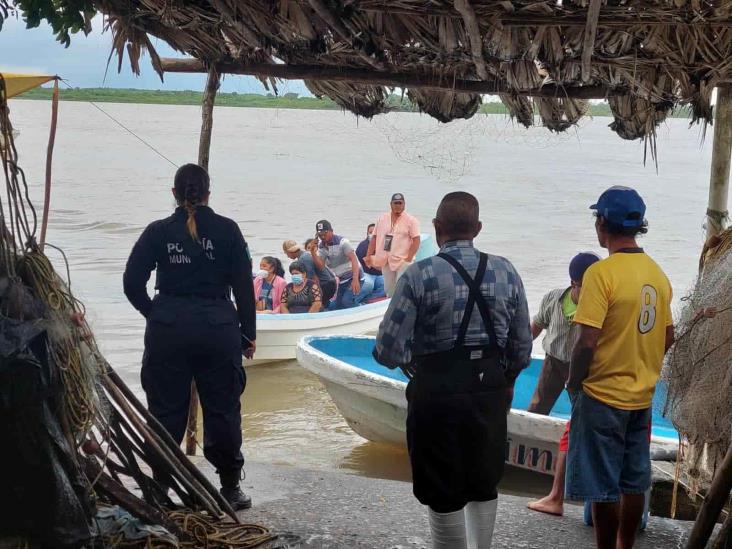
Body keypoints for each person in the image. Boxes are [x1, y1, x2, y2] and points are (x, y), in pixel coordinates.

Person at [373, 192, 532, 549]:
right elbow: (522, 346)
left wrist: (410, 360)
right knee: (484, 479)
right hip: (489, 391)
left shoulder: (418, 275)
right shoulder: (506, 271)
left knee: (441, 487)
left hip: (436, 393)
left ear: (436, 227)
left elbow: (386, 349)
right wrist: (506, 379)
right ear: (477, 229)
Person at [123, 163, 255, 510]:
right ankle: (230, 489)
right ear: (208, 194)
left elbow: (131, 283)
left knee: (165, 410)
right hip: (217, 329)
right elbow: (243, 289)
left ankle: (161, 488)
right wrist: (248, 335)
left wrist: (155, 313)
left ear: (174, 194)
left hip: (168, 329)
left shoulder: (158, 231)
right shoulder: (228, 231)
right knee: (223, 409)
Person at [566, 186, 675, 549]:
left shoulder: (601, 274)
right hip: (641, 396)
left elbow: (586, 342)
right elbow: (667, 336)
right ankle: (626, 544)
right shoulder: (657, 275)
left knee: (602, 484)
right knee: (632, 481)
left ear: (602, 224)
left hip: (603, 396)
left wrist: (574, 382)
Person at [527, 252, 601, 415]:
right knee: (538, 407)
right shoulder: (553, 298)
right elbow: (537, 325)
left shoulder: (602, 308)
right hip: (553, 362)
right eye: (585, 286)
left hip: (584, 366)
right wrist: (521, 349)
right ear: (573, 283)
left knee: (583, 411)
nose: (591, 292)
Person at [365, 193, 421, 297]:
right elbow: (374, 237)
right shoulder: (382, 219)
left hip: (403, 260)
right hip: (386, 260)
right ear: (391, 204)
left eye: (400, 203)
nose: (398, 206)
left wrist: (408, 259)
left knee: (402, 287)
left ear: (404, 204)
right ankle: (390, 309)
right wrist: (368, 255)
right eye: (395, 203)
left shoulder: (412, 221)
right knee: (389, 290)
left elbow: (416, 240)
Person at [309, 220, 363, 310]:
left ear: (331, 231)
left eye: (325, 233)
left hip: (354, 276)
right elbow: (321, 266)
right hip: (342, 280)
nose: (322, 236)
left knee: (346, 301)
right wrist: (312, 252)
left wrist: (355, 279)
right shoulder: (322, 246)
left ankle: (362, 312)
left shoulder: (343, 242)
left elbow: (354, 259)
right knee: (337, 306)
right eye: (320, 234)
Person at [282, 239, 337, 305]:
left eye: (286, 253)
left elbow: (314, 279)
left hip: (326, 285)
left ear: (290, 251)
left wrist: (317, 297)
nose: (287, 256)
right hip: (330, 281)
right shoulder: (306, 254)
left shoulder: (303, 259)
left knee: (317, 305)